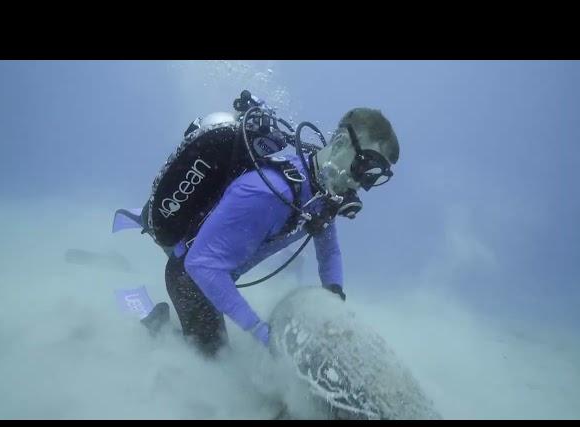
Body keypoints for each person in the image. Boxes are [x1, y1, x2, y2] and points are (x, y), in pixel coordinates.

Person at [125, 94, 400, 357]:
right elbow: (200, 264)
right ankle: (158, 330)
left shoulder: (319, 196)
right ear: (340, 143)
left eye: (375, 177)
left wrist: (334, 300)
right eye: (365, 166)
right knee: (213, 369)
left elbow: (329, 252)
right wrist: (261, 333)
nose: (363, 184)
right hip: (190, 280)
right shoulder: (268, 192)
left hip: (215, 277)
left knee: (217, 356)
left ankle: (169, 329)